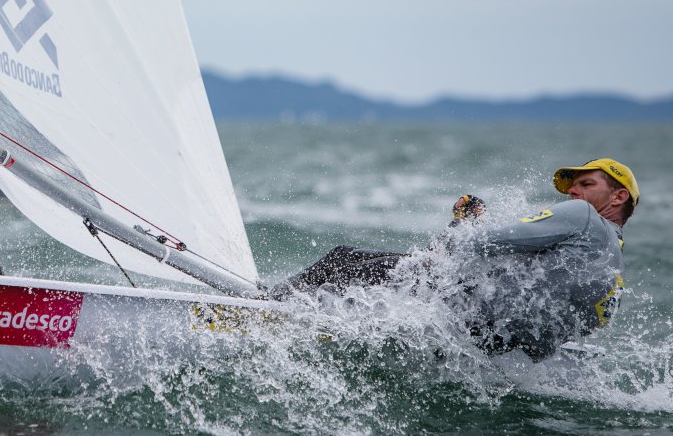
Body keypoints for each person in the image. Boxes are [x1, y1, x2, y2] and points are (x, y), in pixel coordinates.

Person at [270, 158, 639, 361]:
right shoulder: (614, 268)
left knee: (344, 258)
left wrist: (464, 221)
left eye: (586, 185)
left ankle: (270, 304)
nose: (573, 192)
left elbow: (475, 245)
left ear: (618, 196)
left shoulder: (582, 216)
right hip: (507, 343)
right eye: (572, 187)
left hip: (464, 313)